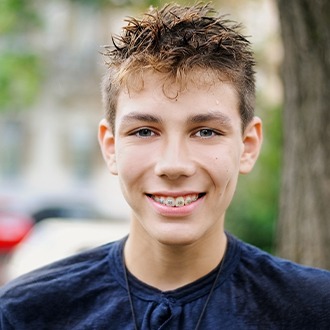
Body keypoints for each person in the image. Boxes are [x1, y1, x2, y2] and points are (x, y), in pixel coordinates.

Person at [1, 3, 329, 329]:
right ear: (110, 146)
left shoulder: (315, 310)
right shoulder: (25, 314)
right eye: (144, 131)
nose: (173, 165)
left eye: (206, 132)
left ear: (248, 146)